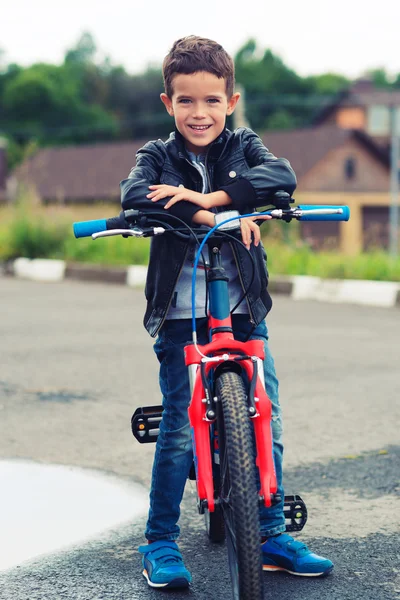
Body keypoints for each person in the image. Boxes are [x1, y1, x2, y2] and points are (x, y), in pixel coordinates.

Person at [120, 35, 333, 589]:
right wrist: (203, 216)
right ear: (168, 104)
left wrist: (220, 200)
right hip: (180, 314)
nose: (200, 113)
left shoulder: (244, 145)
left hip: (240, 310)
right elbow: (135, 194)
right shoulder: (158, 155)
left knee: (270, 415)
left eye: (212, 101)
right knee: (178, 429)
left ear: (230, 101)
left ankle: (269, 533)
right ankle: (160, 541)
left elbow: (280, 176)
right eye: (186, 101)